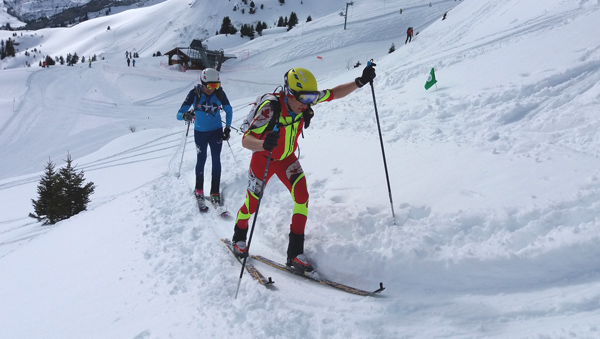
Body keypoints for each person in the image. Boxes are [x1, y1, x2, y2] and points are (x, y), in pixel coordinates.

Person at [230, 64, 377, 274]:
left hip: (286, 159)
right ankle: (238, 238)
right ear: (289, 93)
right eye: (304, 99)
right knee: (251, 204)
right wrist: (263, 144)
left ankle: (295, 253)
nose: (308, 103)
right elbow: (246, 140)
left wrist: (359, 82)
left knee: (302, 197)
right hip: (264, 159)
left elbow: (334, 94)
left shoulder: (304, 98)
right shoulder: (270, 108)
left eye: (311, 98)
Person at [176, 68, 233, 206]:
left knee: (216, 159)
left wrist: (227, 128)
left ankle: (215, 192)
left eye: (216, 85)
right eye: (210, 86)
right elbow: (178, 114)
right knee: (201, 159)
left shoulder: (219, 93)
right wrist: (185, 115)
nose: (212, 89)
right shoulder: (194, 94)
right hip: (200, 133)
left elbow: (229, 110)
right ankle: (199, 189)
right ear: (203, 83)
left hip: (216, 132)